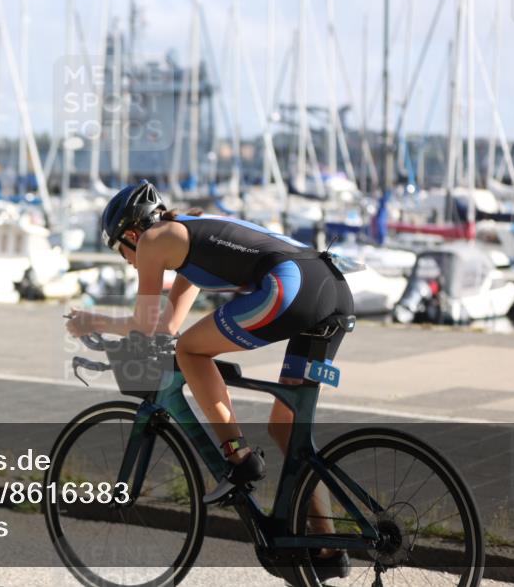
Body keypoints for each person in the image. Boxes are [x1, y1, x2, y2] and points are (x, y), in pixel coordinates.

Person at [65, 179, 354, 579]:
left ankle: (237, 456)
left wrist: (90, 321)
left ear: (131, 234)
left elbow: (146, 324)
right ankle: (326, 547)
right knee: (286, 430)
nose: (128, 261)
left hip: (292, 287)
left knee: (191, 351)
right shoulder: (190, 239)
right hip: (331, 288)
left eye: (121, 251)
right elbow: (165, 325)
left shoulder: (153, 240)